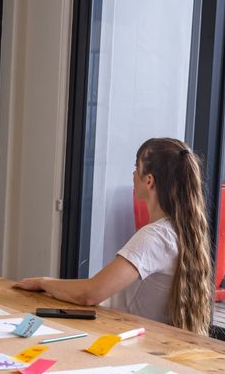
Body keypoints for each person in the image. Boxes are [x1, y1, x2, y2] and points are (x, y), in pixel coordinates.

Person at [13, 137, 212, 335]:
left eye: (137, 166)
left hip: (124, 340)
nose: (133, 173)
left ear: (149, 180)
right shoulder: (178, 231)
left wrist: (43, 282)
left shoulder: (155, 237)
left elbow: (90, 293)